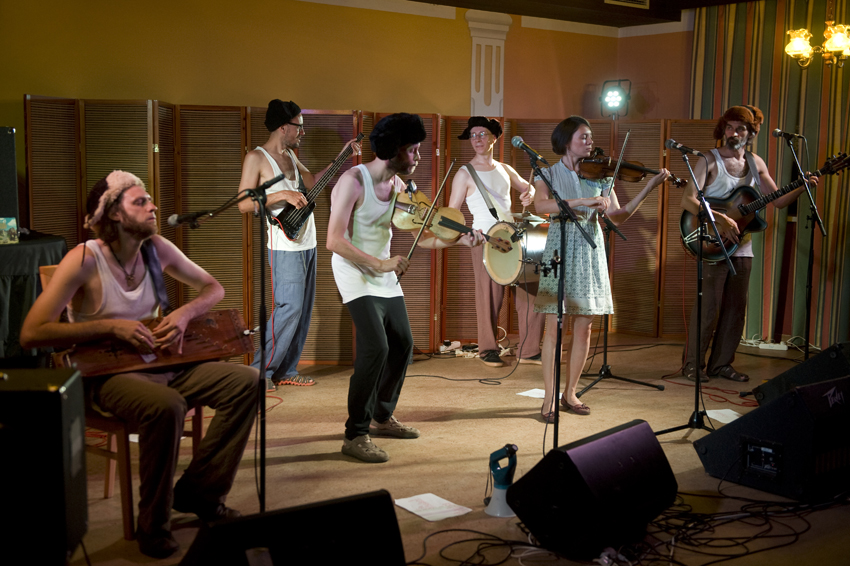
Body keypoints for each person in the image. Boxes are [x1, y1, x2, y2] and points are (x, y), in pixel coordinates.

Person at [20, 171, 259, 559]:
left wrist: (184, 314)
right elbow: (31, 332)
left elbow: (213, 287)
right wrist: (112, 326)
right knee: (167, 406)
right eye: (140, 201)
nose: (154, 207)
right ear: (114, 214)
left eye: (150, 200)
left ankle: (200, 493)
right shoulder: (84, 259)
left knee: (247, 380)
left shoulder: (157, 248)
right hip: (109, 375)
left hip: (163, 361)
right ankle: (153, 524)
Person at [327, 113, 483, 463]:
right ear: (392, 149)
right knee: (375, 348)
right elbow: (334, 240)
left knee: (403, 344)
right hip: (354, 272)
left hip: (382, 272)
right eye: (412, 150)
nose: (418, 157)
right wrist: (381, 263)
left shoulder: (399, 187)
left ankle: (382, 416)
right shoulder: (353, 181)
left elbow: (424, 238)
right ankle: (355, 433)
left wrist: (461, 240)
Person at [533, 116, 669, 422]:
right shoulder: (547, 172)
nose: (590, 142)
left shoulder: (601, 176)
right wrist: (583, 200)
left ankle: (570, 393)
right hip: (559, 248)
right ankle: (548, 397)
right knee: (554, 327)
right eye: (583, 137)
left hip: (589, 250)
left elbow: (618, 216)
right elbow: (541, 206)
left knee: (584, 327)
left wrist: (649, 187)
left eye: (590, 137)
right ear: (566, 140)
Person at [680, 105, 813, 383]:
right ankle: (692, 365)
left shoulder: (755, 162)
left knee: (735, 309)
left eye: (739, 128)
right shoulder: (709, 159)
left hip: (742, 245)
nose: (733, 133)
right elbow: (688, 200)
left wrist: (803, 186)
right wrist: (720, 219)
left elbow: (778, 201)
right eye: (729, 127)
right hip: (711, 241)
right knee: (708, 308)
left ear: (750, 133)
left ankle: (721, 365)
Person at [238, 99, 360, 392]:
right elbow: (243, 203)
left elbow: (314, 181)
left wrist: (342, 155)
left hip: (307, 240)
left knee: (302, 309)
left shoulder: (291, 157)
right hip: (284, 245)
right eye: (299, 126)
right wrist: (282, 196)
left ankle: (287, 369)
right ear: (284, 127)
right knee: (288, 307)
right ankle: (259, 373)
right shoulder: (257, 158)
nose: (302, 132)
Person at [449, 116, 546, 367]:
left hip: (514, 237)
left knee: (530, 291)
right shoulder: (464, 174)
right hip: (486, 240)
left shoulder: (505, 168)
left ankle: (529, 349)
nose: (477, 139)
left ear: (494, 138)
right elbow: (451, 214)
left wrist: (528, 194)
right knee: (488, 297)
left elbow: (528, 188)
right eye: (473, 135)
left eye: (482, 134)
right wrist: (466, 236)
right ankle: (488, 349)